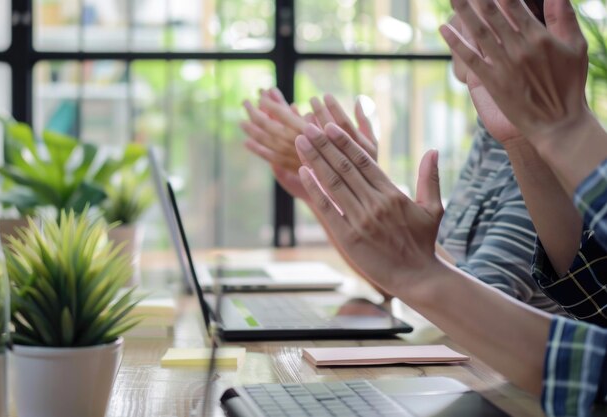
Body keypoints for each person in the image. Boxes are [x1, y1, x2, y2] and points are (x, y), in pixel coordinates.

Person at [282, 1, 607, 416]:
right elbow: (594, 306)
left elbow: (476, 295)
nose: (451, 20)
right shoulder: (496, 136)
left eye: (471, 7)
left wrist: (560, 128)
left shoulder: (542, 159)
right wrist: (343, 199)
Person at [241, 2, 566, 315]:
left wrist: (362, 178)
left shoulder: (537, 161)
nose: (449, 27)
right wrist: (327, 192)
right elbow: (405, 283)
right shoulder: (490, 140)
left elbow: (475, 314)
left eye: (466, 9)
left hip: (489, 371)